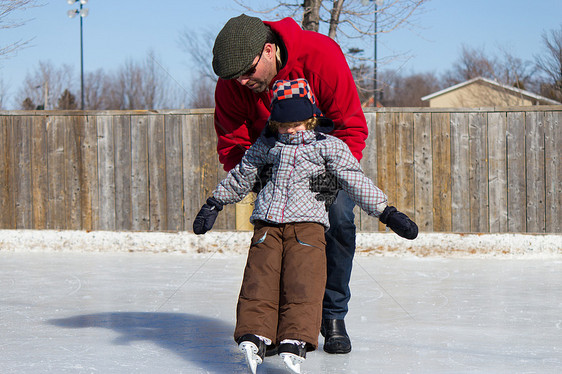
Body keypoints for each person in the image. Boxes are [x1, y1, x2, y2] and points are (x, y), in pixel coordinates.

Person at [193, 78, 418, 374]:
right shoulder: (266, 145)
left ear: (312, 118)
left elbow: (355, 181)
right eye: (284, 124)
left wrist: (387, 212)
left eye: (297, 123)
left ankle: (296, 337)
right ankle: (256, 333)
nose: (290, 130)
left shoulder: (329, 147)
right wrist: (215, 202)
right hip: (267, 225)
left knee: (303, 282)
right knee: (259, 279)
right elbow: (242, 176)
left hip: (308, 227)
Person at [212, 13, 372, 354]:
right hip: (271, 161)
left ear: (269, 50)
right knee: (273, 238)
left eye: (248, 72)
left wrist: (331, 178)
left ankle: (331, 317)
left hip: (325, 156)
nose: (241, 82)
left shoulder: (321, 56)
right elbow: (231, 140)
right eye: (235, 77)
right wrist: (258, 178)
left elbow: (351, 125)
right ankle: (272, 326)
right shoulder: (232, 83)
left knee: (340, 218)